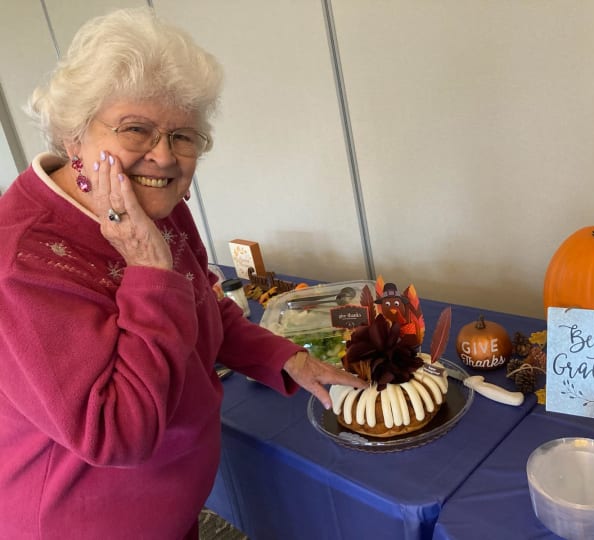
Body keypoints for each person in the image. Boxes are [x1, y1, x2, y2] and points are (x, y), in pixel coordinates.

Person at [0, 7, 365, 539]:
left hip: (170, 514)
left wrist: (286, 359)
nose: (164, 157)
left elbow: (199, 305)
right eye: (136, 130)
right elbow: (117, 434)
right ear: (72, 135)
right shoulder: (21, 261)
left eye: (184, 136)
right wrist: (148, 266)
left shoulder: (156, 205)